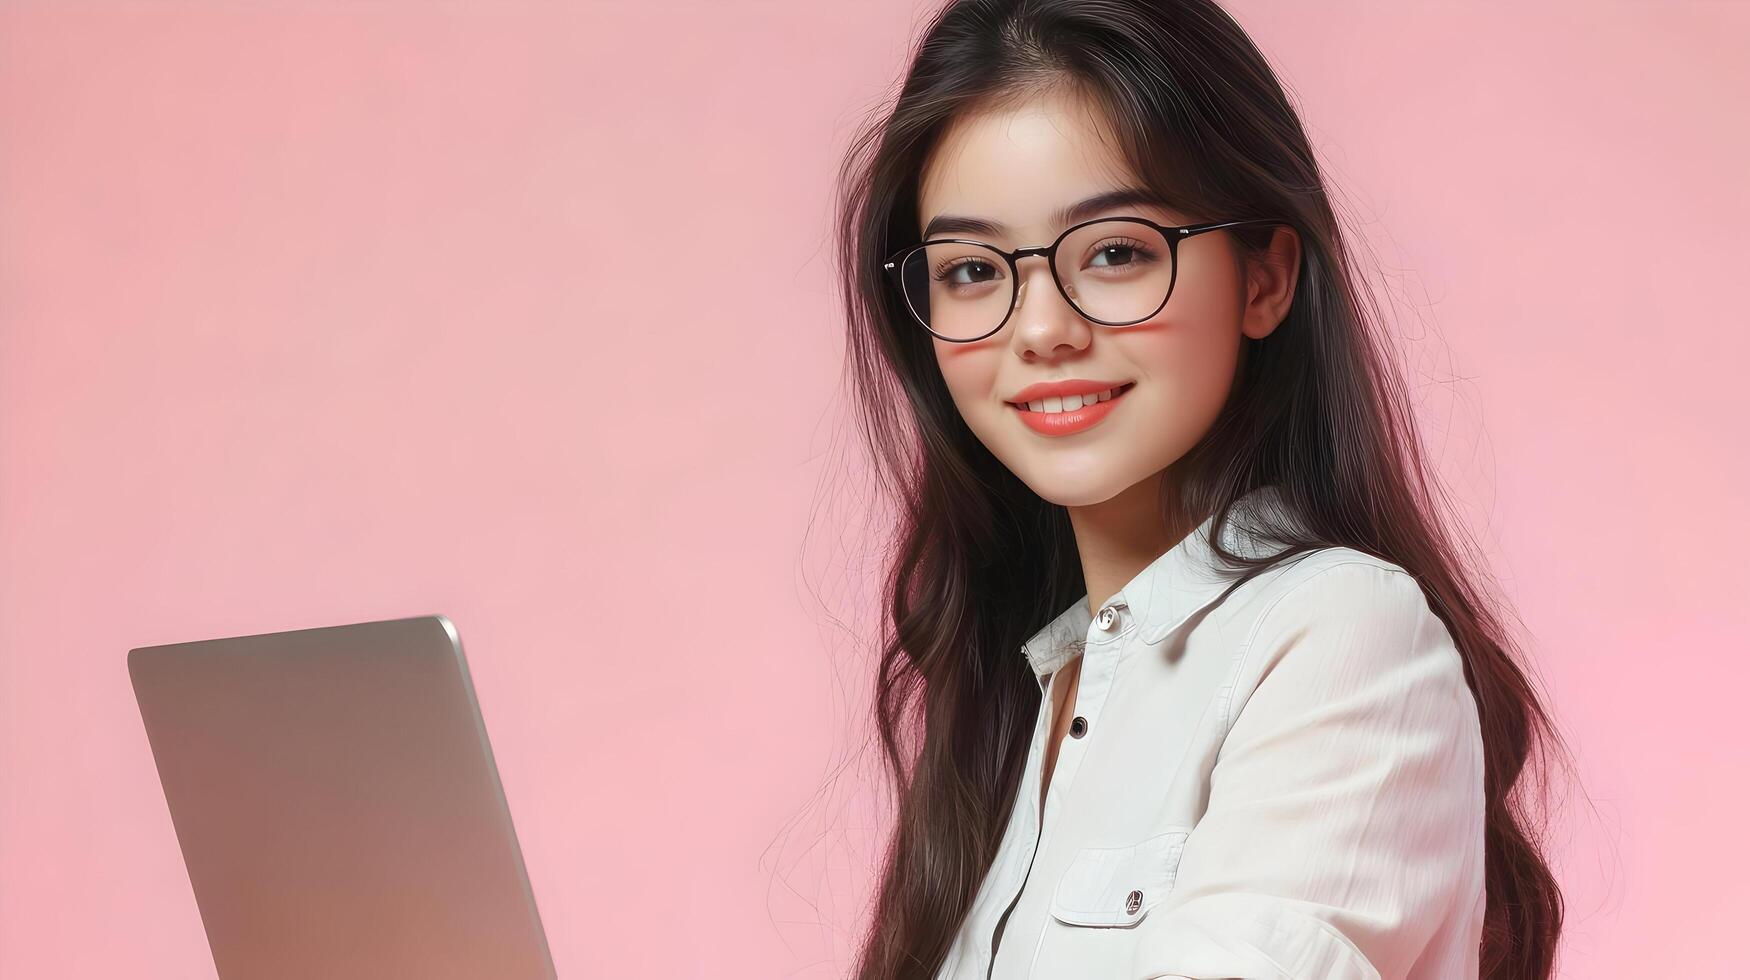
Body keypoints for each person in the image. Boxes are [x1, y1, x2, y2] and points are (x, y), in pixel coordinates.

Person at [830, 2, 1571, 978]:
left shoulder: (1341, 636)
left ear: (1262, 277)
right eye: (971, 269)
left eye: (1113, 251)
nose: (1041, 328)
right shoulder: (1010, 709)